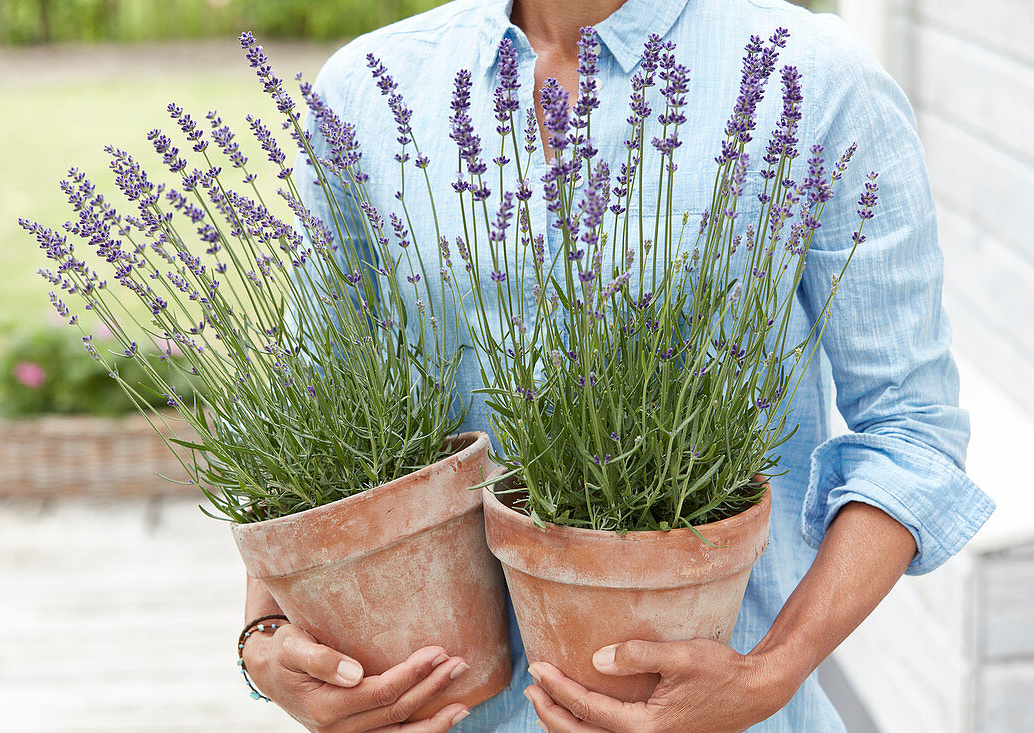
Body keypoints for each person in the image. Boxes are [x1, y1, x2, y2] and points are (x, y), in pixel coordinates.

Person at [240, 0, 995, 730]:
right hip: (449, 712)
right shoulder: (370, 89)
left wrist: (768, 675)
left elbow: (911, 431)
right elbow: (311, 424)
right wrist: (266, 633)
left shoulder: (819, 78)